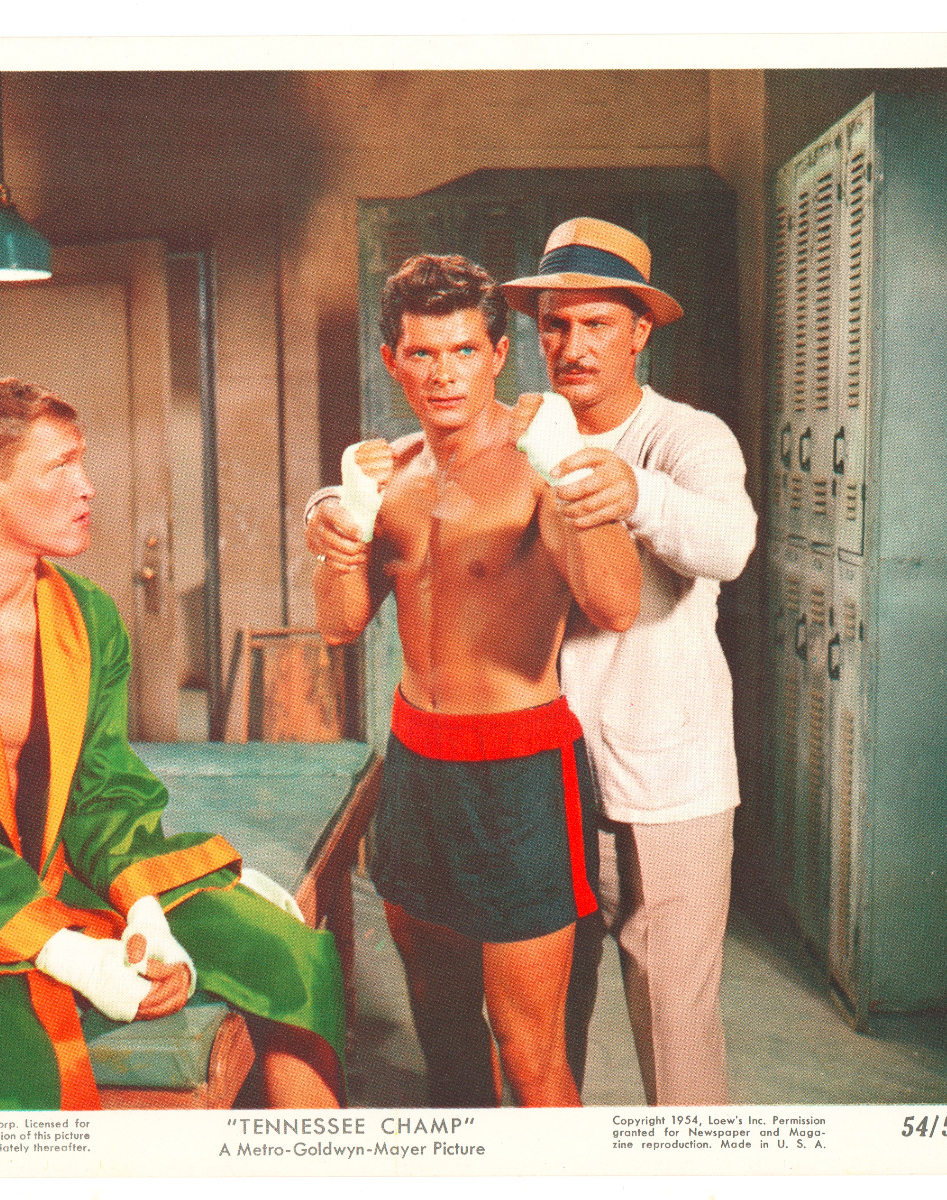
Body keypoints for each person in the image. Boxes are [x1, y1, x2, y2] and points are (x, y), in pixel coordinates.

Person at [0, 376, 344, 1111]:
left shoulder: (88, 617)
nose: (88, 487)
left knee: (285, 952)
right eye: (60, 466)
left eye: (82, 462)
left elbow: (102, 792)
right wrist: (69, 953)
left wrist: (144, 911)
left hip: (57, 873)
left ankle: (313, 1164)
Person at [310, 254, 642, 1108]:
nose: (443, 374)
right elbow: (341, 625)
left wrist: (569, 480)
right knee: (442, 1030)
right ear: (392, 360)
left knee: (531, 1053)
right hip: (416, 765)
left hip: (520, 774)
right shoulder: (390, 476)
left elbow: (615, 604)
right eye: (422, 354)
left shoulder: (541, 464)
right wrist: (341, 531)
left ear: (498, 354)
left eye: (463, 350)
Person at [501, 218, 758, 1105]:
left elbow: (729, 543)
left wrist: (637, 492)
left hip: (670, 780)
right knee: (539, 1036)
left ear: (641, 330)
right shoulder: (523, 431)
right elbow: (428, 476)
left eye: (597, 325)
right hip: (546, 777)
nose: (572, 347)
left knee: (678, 1032)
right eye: (555, 326)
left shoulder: (687, 437)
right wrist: (335, 501)